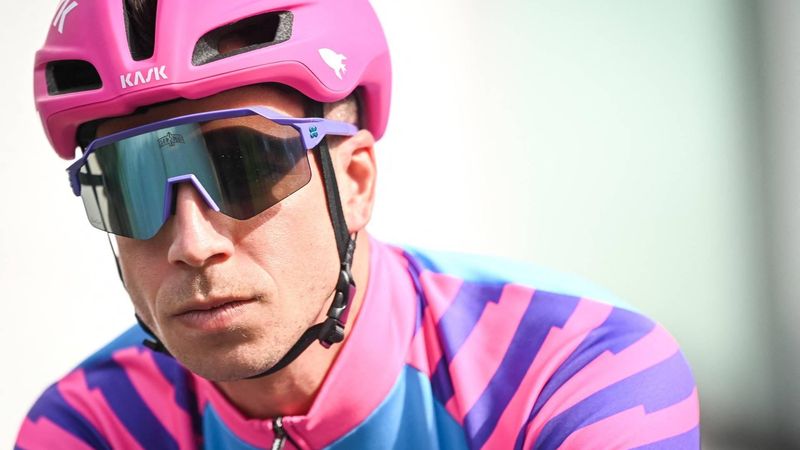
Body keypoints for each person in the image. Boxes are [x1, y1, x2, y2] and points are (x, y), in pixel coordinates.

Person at [17, 0, 700, 448]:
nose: (192, 244)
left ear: (357, 181)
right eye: (131, 188)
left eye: (244, 168)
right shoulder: (91, 426)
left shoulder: (579, 370)